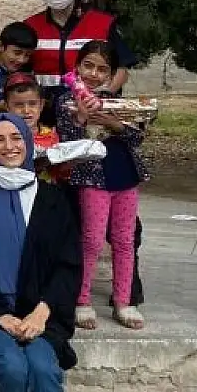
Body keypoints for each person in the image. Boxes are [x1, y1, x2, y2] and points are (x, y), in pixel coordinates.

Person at [0, 113, 81, 392]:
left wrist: (42, 311)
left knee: (43, 368)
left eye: (16, 138)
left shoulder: (53, 198)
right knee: (12, 366)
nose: (8, 146)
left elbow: (68, 264)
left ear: (28, 141)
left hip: (43, 311)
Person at [55, 41, 149, 331]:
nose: (94, 74)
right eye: (88, 66)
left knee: (124, 239)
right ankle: (82, 300)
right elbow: (68, 141)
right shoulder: (66, 101)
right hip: (92, 178)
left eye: (102, 69)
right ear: (77, 67)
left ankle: (124, 301)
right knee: (92, 240)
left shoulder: (120, 103)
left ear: (110, 75)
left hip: (124, 175)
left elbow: (136, 138)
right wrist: (82, 116)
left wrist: (113, 122)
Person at [22, 0, 135, 119]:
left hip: (92, 113)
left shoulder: (103, 23)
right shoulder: (31, 26)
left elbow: (122, 68)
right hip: (45, 115)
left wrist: (103, 95)